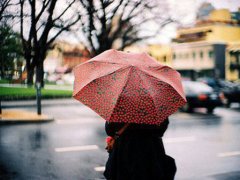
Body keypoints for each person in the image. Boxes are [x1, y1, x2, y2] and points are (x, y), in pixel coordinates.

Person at [103, 118, 176, 180]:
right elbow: (161, 130)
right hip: (151, 152)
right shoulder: (154, 108)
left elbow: (109, 130)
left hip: (123, 151)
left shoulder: (119, 108)